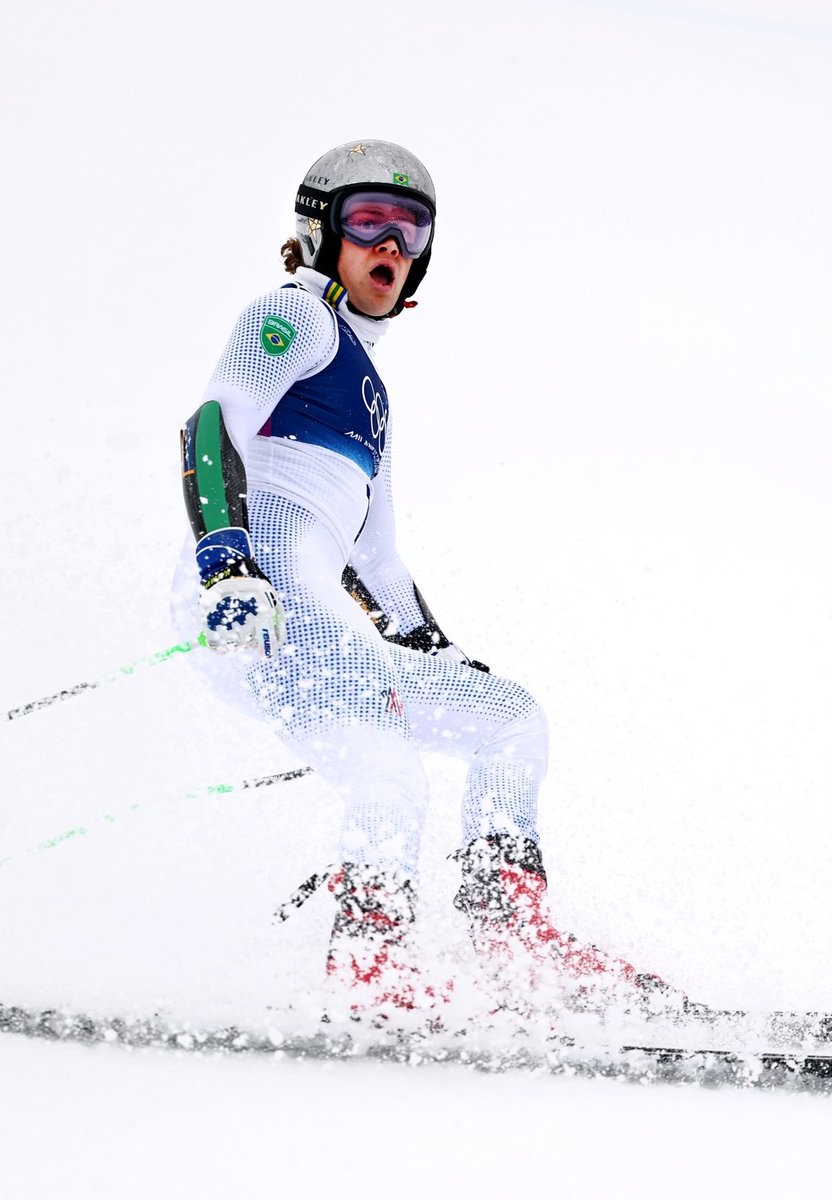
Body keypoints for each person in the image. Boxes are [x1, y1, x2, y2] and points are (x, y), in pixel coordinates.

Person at [174, 139, 676, 1026]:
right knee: (390, 773)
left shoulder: (369, 391)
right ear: (320, 232)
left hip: (321, 613)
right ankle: (369, 969)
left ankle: (509, 930)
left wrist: (439, 654)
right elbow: (213, 421)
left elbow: (378, 564)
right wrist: (226, 562)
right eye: (370, 222)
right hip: (253, 600)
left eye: (410, 231)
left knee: (509, 720)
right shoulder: (292, 317)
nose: (391, 247)